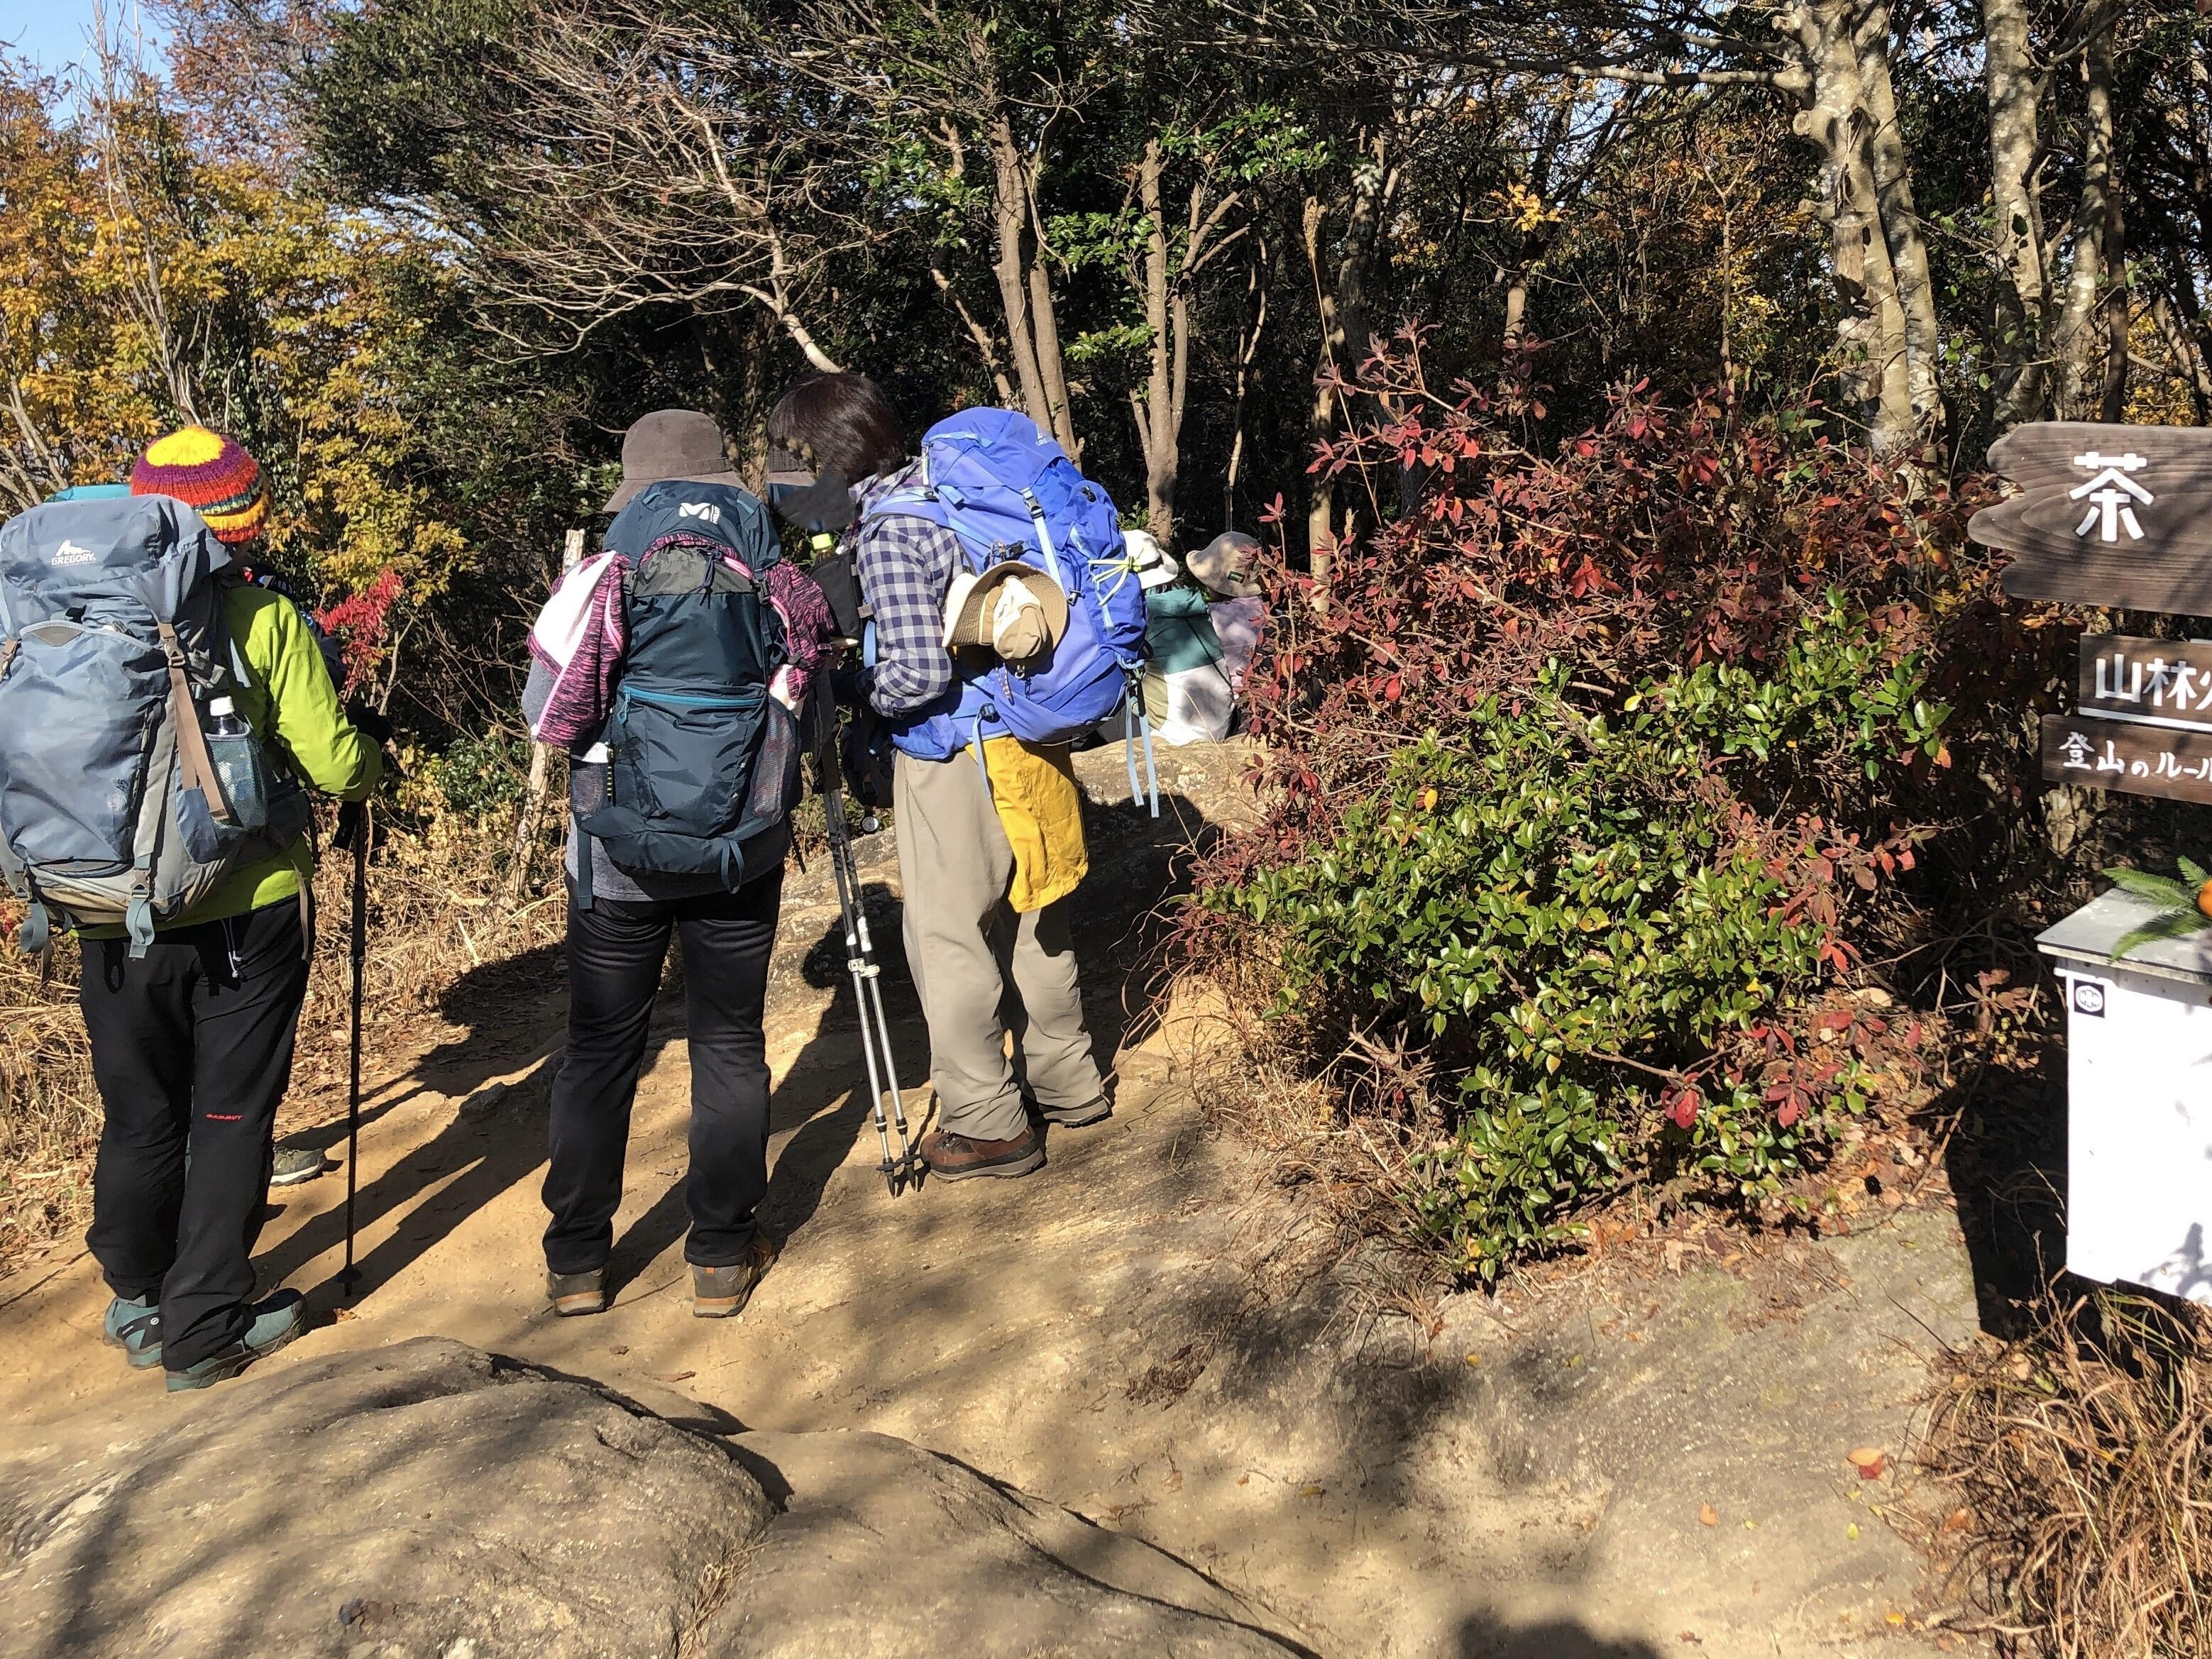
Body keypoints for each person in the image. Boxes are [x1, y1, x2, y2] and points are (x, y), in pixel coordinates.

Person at [77, 427, 383, 1389]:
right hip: (246, 902)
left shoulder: (73, 618)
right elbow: (334, 761)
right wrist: (376, 764)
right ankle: (204, 1322)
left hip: (107, 906)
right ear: (245, 520)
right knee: (229, 1107)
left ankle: (136, 1295)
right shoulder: (260, 616)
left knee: (137, 1111)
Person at [522, 409, 834, 1319]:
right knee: (729, 1042)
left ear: (637, 488)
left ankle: (578, 1261)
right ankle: (721, 1255)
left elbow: (550, 715)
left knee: (599, 1049)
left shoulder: (603, 576)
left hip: (618, 859)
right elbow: (810, 719)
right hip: (743, 851)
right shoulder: (780, 580)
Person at [767, 374, 1108, 1184]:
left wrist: (859, 694)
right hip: (1029, 737)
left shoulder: (889, 530)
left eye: (792, 456)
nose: (784, 472)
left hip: (951, 756)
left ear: (830, 455)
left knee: (949, 940)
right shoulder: (953, 495)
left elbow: (916, 677)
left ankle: (988, 1123)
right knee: (1038, 916)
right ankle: (1070, 1083)